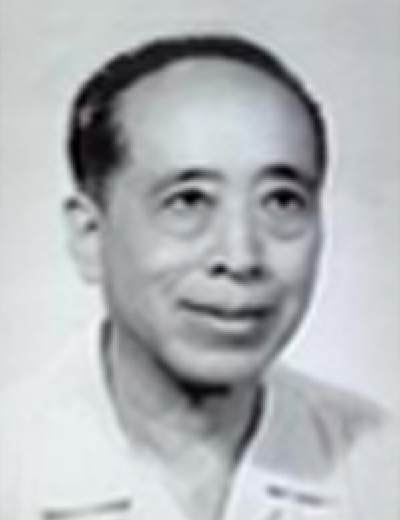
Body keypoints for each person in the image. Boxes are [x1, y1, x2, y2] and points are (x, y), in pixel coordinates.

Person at [0, 34, 398, 520]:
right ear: (90, 235)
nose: (241, 257)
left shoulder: (382, 468)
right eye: (188, 201)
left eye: (281, 201)